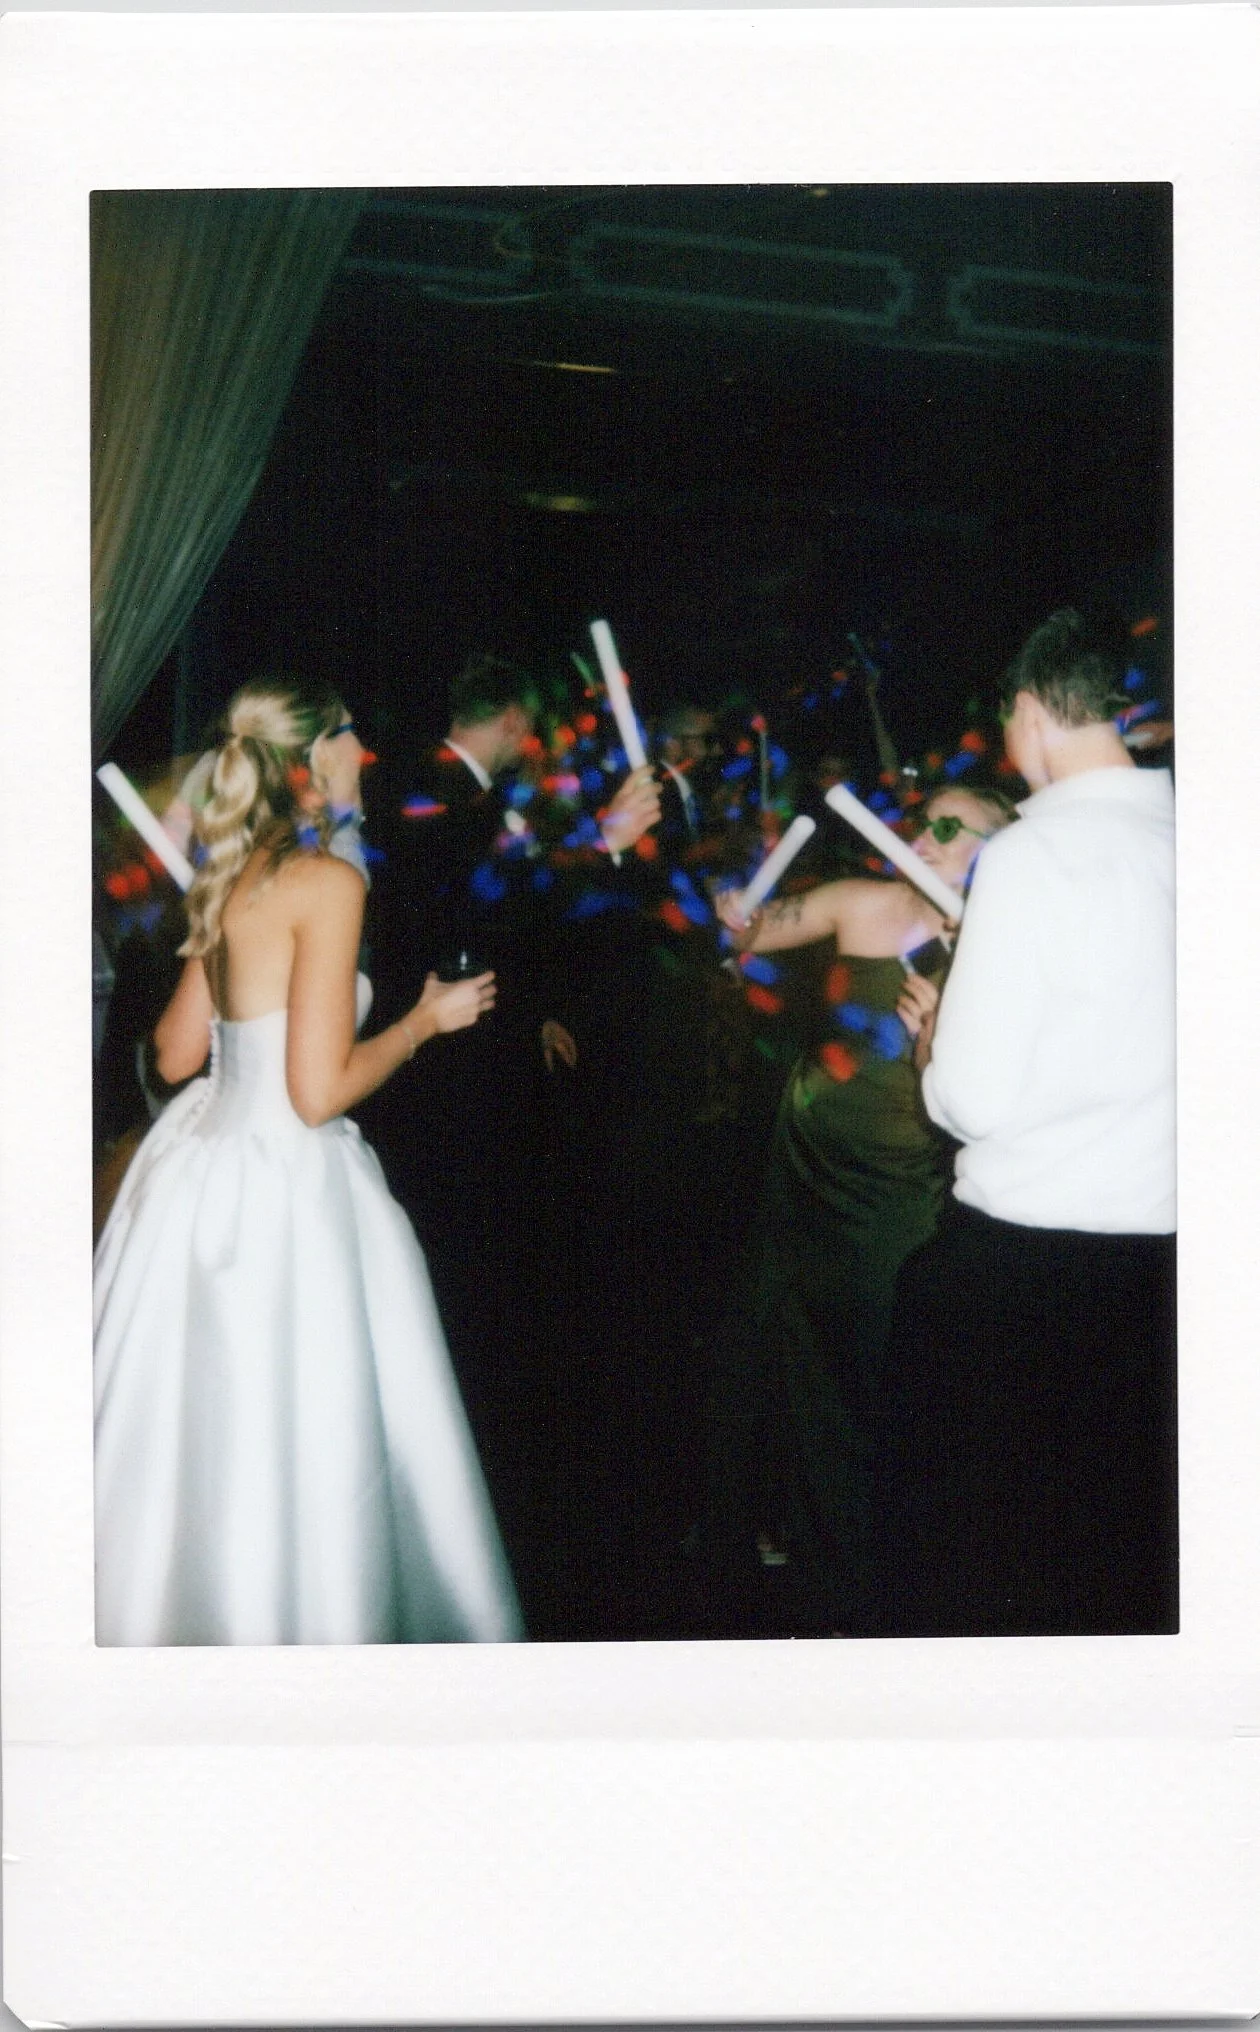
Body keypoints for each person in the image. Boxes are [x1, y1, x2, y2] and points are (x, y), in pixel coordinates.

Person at [93, 678, 523, 1647]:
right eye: (349, 738)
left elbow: (169, 1056)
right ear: (311, 760)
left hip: (202, 1174)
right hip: (287, 1187)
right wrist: (423, 1020)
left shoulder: (227, 875)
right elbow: (315, 1092)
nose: (364, 754)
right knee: (308, 1435)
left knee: (201, 1446)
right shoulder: (329, 884)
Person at [879, 610, 1177, 1636]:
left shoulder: (1033, 854)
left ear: (1032, 713)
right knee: (1111, 1564)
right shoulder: (1201, 837)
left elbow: (972, 1098)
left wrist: (931, 1050)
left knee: (970, 1570)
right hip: (1167, 1270)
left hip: (1025, 1276)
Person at [702, 784, 1016, 1635]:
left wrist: (940, 1042)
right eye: (926, 820)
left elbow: (996, 1098)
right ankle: (802, 1547)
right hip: (801, 1160)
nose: (927, 834)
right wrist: (734, 913)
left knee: (869, 1367)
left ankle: (874, 1571)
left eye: (952, 828)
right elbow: (749, 932)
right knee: (786, 1344)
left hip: (897, 1189)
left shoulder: (999, 947)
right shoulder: (862, 901)